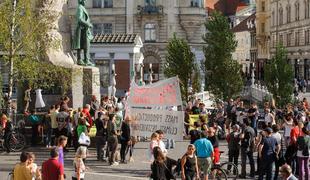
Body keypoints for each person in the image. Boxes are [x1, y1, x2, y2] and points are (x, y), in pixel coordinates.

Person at [73, 0, 94, 66]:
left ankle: (85, 59)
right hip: (82, 29)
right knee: (84, 45)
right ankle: (82, 59)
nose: (85, 1)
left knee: (85, 45)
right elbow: (79, 19)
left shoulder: (82, 8)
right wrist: (88, 24)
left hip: (84, 29)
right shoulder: (80, 7)